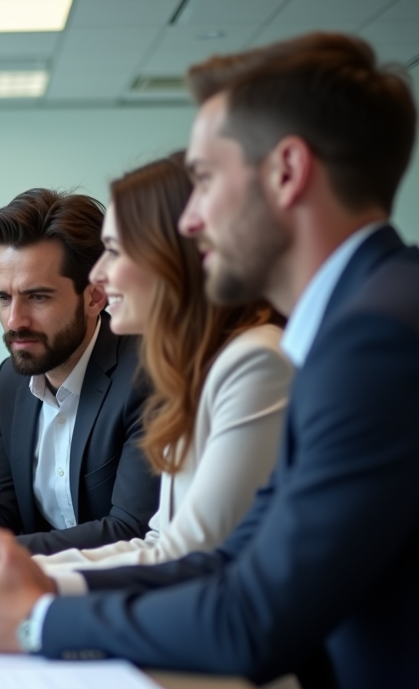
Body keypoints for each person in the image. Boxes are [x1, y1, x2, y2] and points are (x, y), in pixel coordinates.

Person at [0, 34, 419, 689]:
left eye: (202, 180)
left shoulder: (373, 339)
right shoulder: (354, 324)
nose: (188, 221)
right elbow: (235, 561)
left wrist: (37, 622)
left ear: (287, 172)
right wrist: (42, 592)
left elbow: (252, 617)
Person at [31, 154, 291, 583]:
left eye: (112, 251)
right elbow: (155, 545)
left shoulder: (256, 362)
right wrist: (17, 567)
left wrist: (32, 582)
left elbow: (188, 558)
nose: (98, 274)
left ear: (173, 255)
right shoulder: (191, 373)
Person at [0, 189, 159, 584]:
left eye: (37, 297)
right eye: (3, 298)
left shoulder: (147, 375)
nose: (14, 321)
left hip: (119, 597)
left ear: (95, 297)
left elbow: (132, 529)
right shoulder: (11, 381)